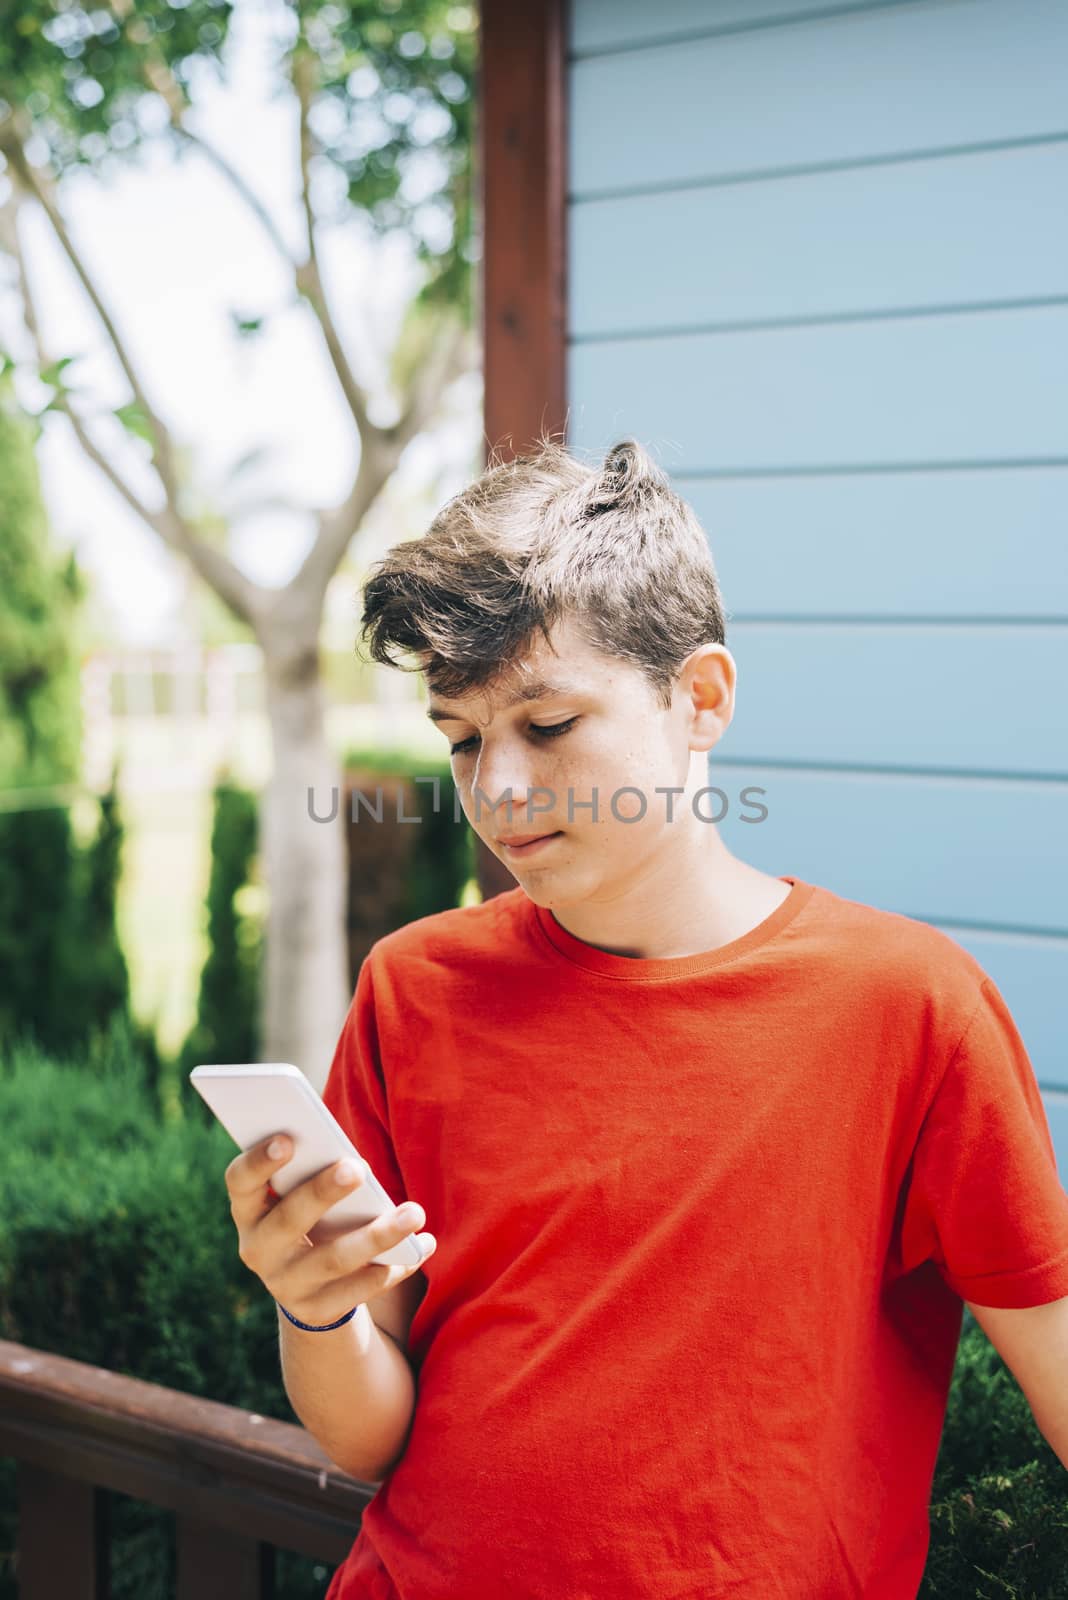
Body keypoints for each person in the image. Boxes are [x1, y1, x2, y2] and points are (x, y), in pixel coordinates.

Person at [226, 439, 1068, 1599]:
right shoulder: (411, 987)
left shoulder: (910, 1006)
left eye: (550, 723)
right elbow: (368, 1438)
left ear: (700, 698)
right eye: (461, 738)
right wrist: (312, 1313)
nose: (498, 791)